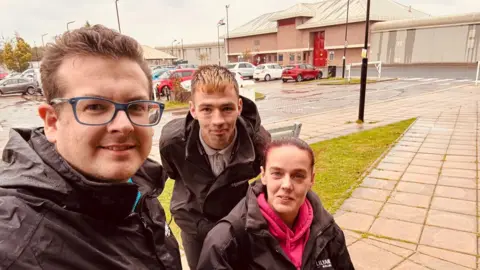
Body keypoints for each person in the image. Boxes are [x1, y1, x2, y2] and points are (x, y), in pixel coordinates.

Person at [0, 25, 182, 269]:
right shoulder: (14, 246)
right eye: (95, 107)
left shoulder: (136, 186)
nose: (123, 125)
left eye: (136, 106)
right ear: (52, 122)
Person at [159, 65, 271, 269]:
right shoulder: (173, 143)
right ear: (193, 109)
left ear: (239, 106)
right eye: (207, 109)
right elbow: (174, 173)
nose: (217, 121)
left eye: (226, 108)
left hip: (236, 223)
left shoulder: (258, 144)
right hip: (194, 225)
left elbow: (265, 186)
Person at [198, 137, 355, 270]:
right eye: (277, 174)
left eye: (298, 176)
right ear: (264, 175)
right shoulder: (225, 242)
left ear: (311, 180)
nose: (286, 185)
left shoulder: (328, 232)